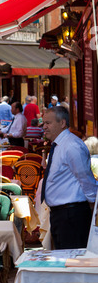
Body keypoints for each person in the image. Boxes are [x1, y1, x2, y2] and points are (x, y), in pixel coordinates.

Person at [42, 106, 98, 250]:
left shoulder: (72, 145)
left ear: (62, 123)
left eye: (48, 123)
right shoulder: (59, 145)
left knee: (72, 261)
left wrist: (93, 207)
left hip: (72, 215)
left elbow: (86, 178)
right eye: (44, 123)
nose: (44, 127)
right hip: (61, 214)